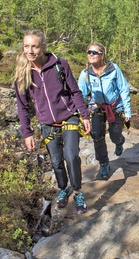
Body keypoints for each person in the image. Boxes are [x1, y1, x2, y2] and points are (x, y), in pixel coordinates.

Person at [14, 29, 91, 215]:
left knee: (71, 156)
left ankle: (78, 192)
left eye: (34, 46)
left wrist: (85, 115)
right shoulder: (23, 73)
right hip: (47, 124)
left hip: (69, 117)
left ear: (43, 46)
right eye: (26, 46)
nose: (30, 51)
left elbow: (74, 92)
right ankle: (63, 189)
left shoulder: (60, 64)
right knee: (56, 162)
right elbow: (22, 107)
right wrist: (27, 133)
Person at [78, 42, 131, 180]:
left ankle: (119, 142)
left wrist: (128, 111)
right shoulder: (85, 73)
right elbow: (80, 95)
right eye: (89, 52)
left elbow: (124, 88)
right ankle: (104, 163)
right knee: (97, 135)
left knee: (114, 134)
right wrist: (81, 114)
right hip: (97, 106)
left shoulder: (113, 69)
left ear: (102, 55)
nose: (91, 54)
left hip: (116, 106)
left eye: (95, 52)